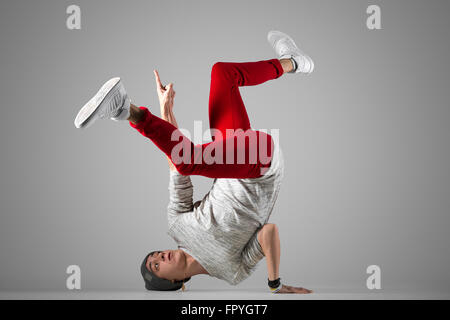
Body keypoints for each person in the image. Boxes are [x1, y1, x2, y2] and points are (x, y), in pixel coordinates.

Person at [74, 30, 314, 293]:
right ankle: (125, 109)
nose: (160, 256)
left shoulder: (177, 225)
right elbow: (269, 232)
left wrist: (166, 110)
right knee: (188, 160)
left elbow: (177, 168)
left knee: (222, 73)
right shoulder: (231, 271)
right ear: (174, 282)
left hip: (233, 158)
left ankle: (293, 61)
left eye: (154, 255)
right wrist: (274, 283)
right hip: (261, 169)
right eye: (156, 266)